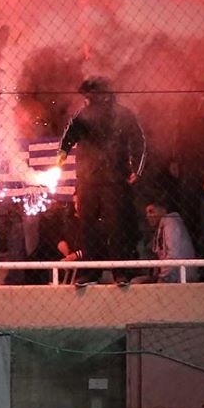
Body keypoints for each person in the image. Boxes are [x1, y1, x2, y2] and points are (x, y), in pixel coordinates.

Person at [60, 78, 147, 270]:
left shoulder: (123, 114)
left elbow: (138, 141)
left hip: (114, 180)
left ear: (103, 95)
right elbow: (69, 135)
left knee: (116, 226)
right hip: (88, 179)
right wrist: (63, 152)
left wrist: (136, 170)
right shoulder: (83, 115)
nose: (86, 100)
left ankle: (119, 270)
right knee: (87, 226)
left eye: (89, 95)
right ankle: (89, 271)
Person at [143, 197, 198, 282]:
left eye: (151, 211)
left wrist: (163, 278)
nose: (148, 216)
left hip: (180, 277)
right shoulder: (162, 227)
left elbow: (174, 255)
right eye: (147, 213)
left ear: (163, 210)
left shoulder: (171, 223)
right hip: (173, 275)